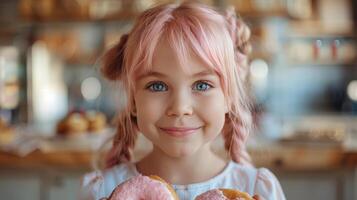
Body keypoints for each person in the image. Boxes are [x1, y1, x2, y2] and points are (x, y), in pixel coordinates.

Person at [81, 1, 286, 200]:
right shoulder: (100, 190)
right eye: (157, 86)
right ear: (133, 100)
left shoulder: (258, 189)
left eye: (202, 85)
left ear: (229, 97)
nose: (180, 108)